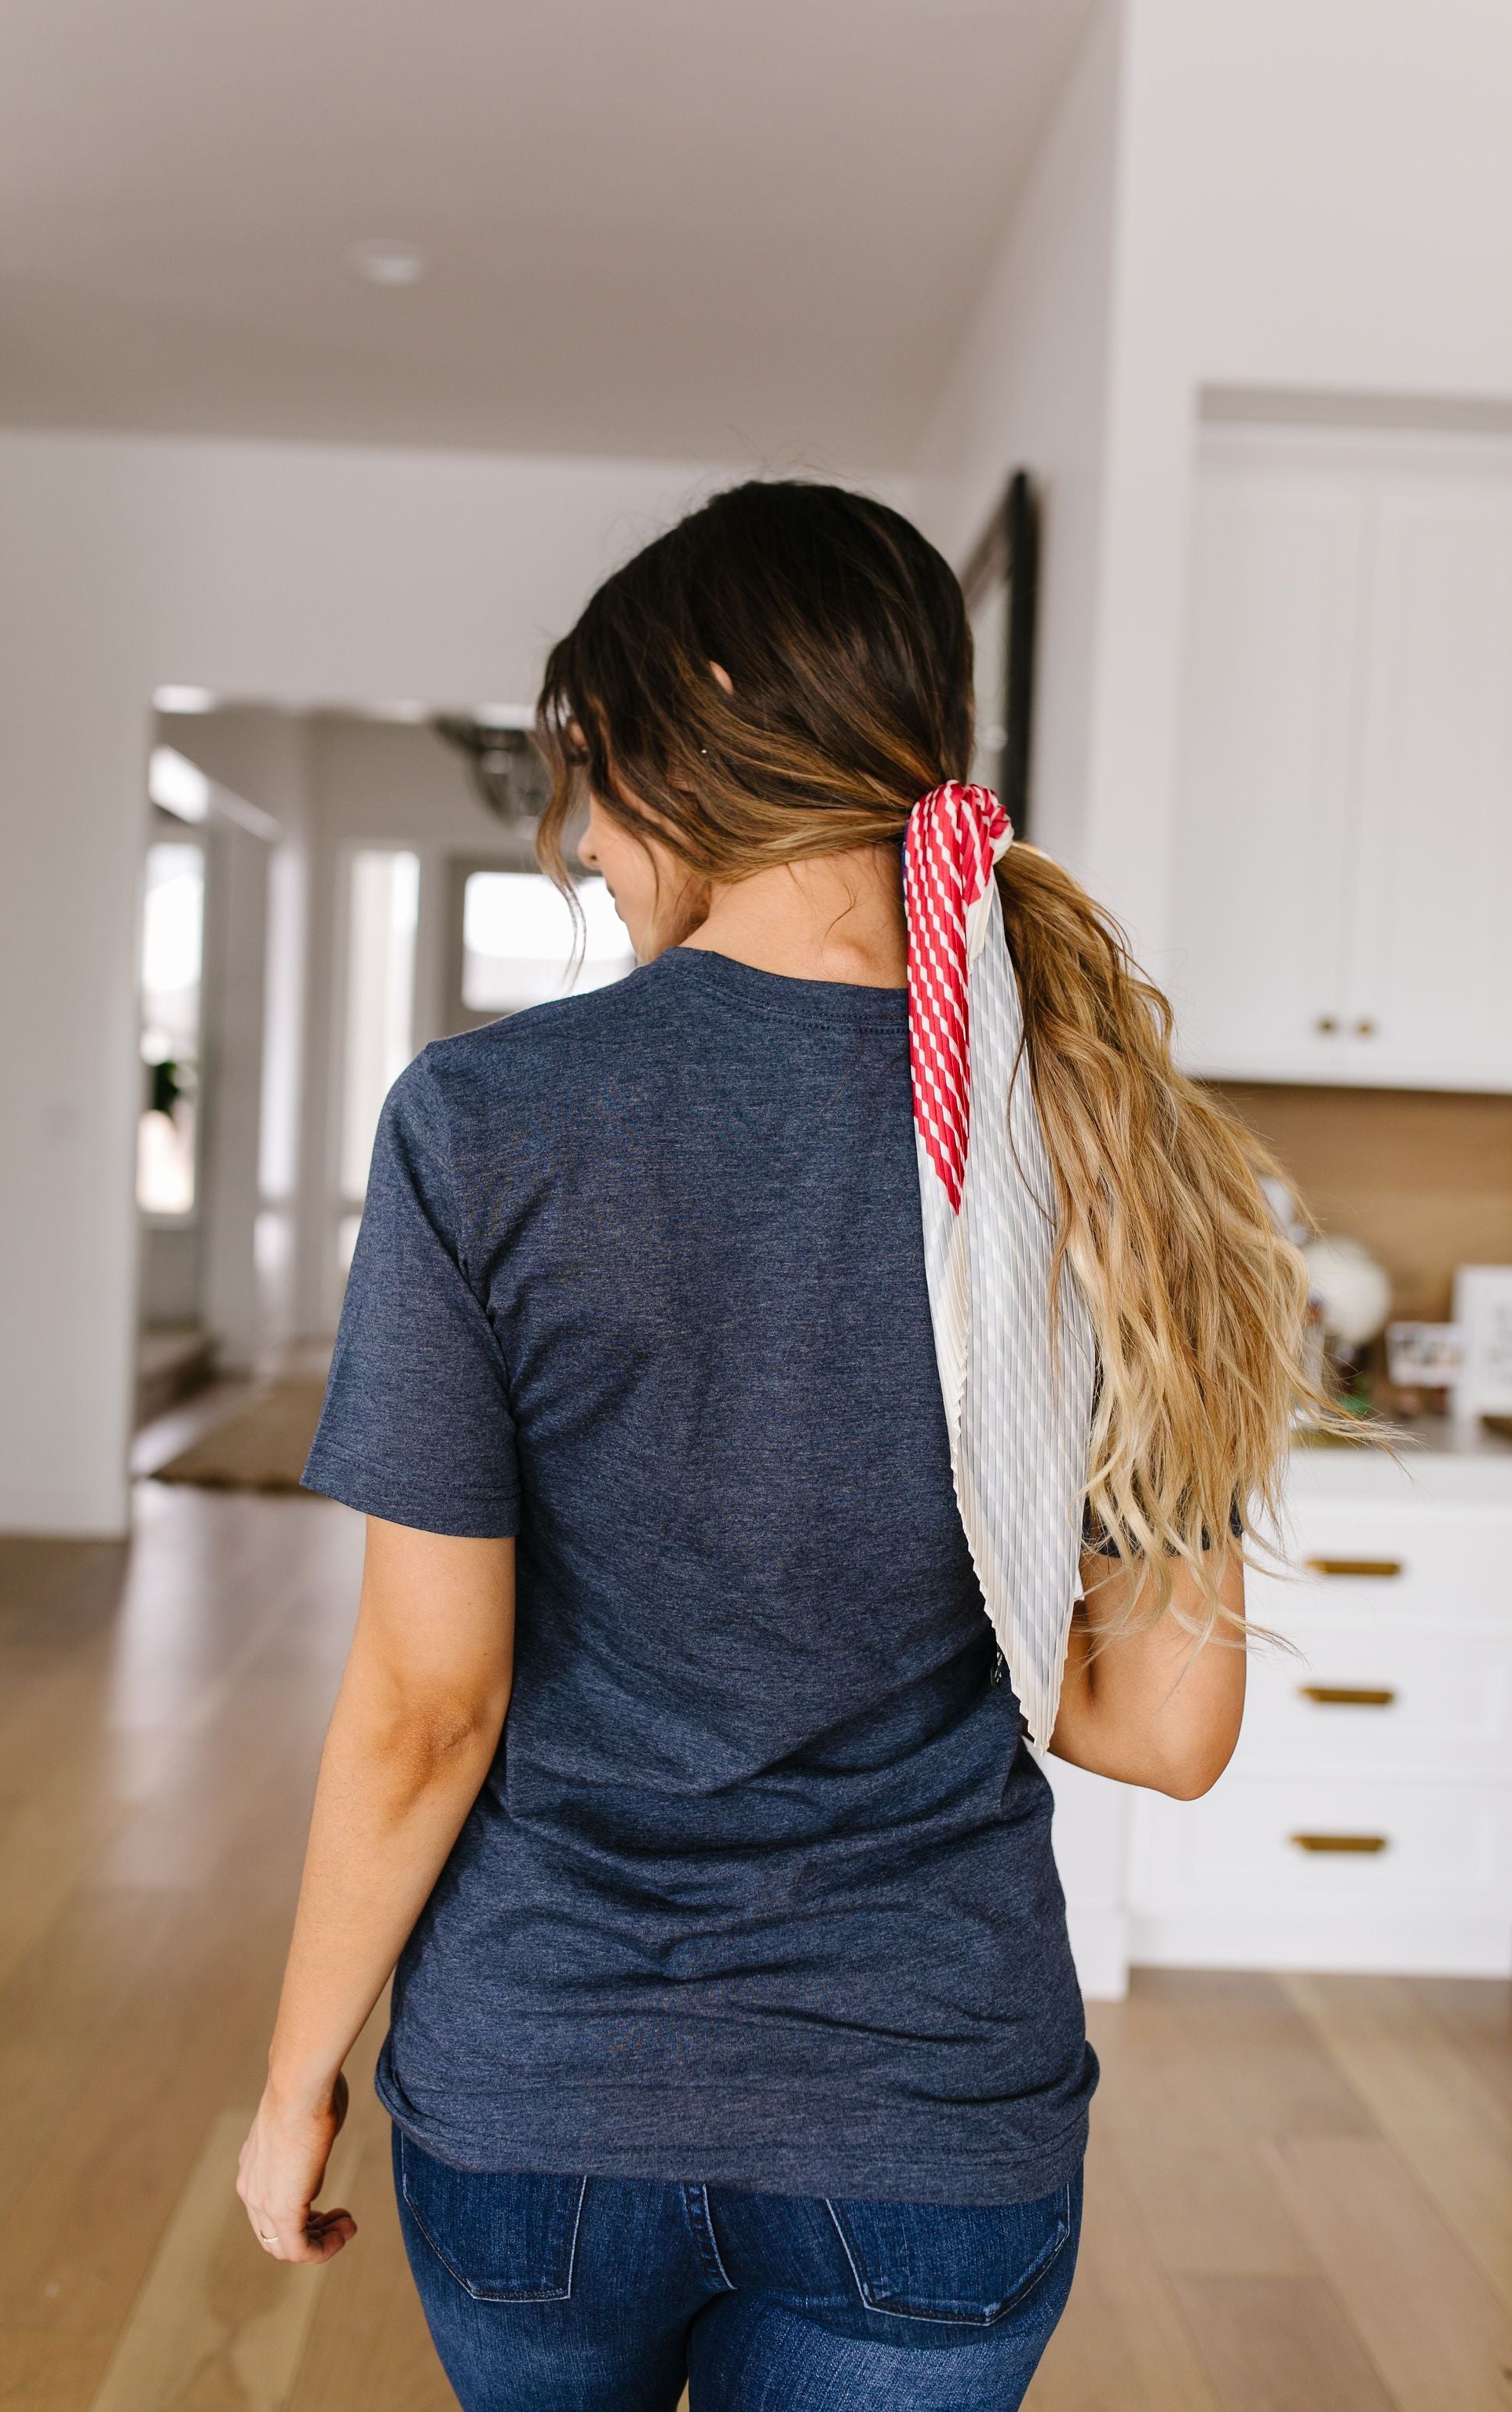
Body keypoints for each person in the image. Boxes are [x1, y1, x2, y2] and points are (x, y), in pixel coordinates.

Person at [238, 482, 1324, 2411]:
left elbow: (428, 1704)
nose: (582, 840)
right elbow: (1164, 1727)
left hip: (545, 2096)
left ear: (703, 717)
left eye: (588, 775)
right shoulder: (1102, 1138)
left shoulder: (485, 1122)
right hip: (928, 2119)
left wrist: (296, 2070)